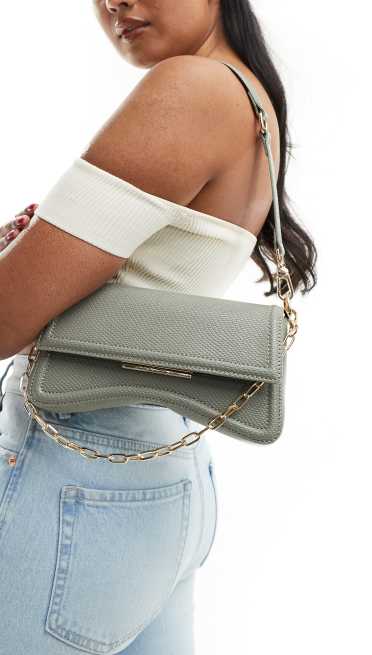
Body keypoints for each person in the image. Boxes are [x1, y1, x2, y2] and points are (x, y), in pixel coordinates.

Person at [0, 1, 317, 653]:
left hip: (77, 471)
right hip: (162, 473)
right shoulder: (250, 97)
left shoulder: (191, 88)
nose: (114, 2)